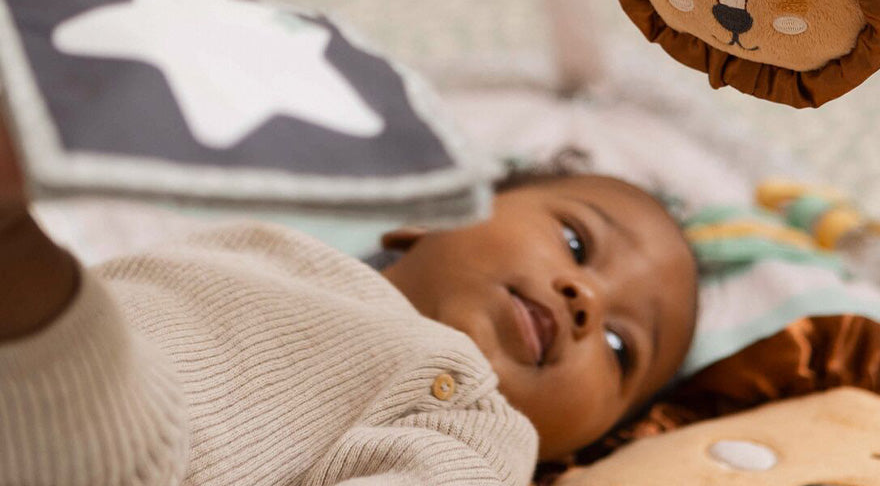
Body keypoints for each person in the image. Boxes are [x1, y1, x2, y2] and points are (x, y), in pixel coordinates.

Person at [0, 114, 698, 485]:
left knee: (37, 283)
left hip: (115, 452)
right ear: (436, 212)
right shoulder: (257, 243)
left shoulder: (477, 432)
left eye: (620, 349)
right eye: (576, 244)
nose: (587, 301)